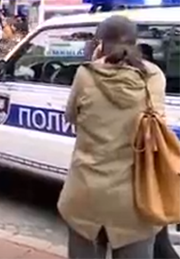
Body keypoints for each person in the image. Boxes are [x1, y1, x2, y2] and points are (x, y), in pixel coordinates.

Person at [58, 15, 165, 259]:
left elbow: (71, 116)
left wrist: (96, 61)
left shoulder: (86, 74)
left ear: (100, 44)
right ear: (136, 43)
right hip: (135, 198)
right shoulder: (153, 77)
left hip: (86, 194)